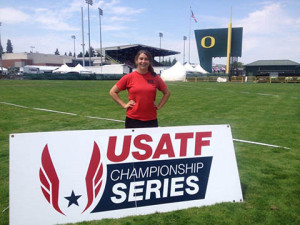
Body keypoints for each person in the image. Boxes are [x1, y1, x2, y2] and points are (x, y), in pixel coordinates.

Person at [109, 50, 170, 128]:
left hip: (151, 119)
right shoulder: (129, 77)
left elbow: (167, 93)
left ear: (149, 61)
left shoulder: (155, 77)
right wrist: (124, 105)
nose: (143, 61)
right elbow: (112, 92)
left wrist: (159, 106)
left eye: (146, 59)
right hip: (133, 119)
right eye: (141, 59)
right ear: (136, 61)